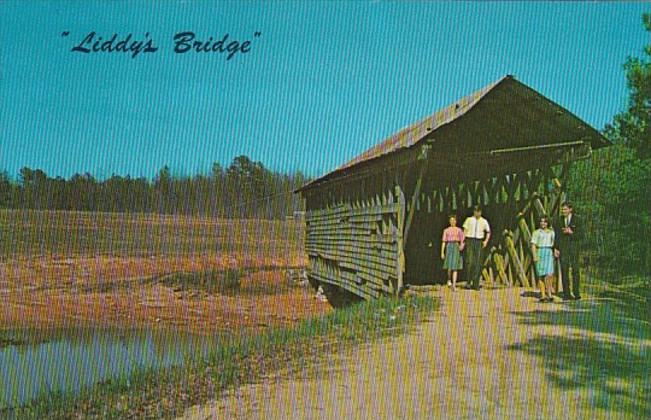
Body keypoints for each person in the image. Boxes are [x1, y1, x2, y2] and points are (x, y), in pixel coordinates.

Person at [553, 202, 583, 300]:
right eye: (562, 209)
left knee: (575, 270)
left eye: (565, 209)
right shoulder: (559, 220)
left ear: (570, 209)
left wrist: (571, 232)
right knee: (564, 269)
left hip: (574, 248)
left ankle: (576, 292)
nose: (563, 211)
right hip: (563, 248)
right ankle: (566, 293)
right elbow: (556, 235)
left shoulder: (577, 220)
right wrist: (556, 248)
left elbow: (581, 235)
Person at [462, 205, 491, 290]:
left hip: (479, 241)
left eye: (478, 211)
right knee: (469, 261)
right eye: (475, 211)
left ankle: (476, 283)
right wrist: (463, 241)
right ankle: (468, 281)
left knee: (478, 262)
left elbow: (488, 232)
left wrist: (486, 241)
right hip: (470, 240)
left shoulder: (484, 221)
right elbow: (465, 230)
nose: (476, 213)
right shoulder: (469, 219)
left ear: (480, 212)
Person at [531, 216, 556, 303]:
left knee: (549, 274)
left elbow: (554, 243)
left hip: (548, 252)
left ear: (547, 223)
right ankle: (542, 295)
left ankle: (549, 294)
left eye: (545, 222)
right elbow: (533, 245)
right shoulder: (536, 232)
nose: (543, 223)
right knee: (541, 274)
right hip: (540, 251)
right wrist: (534, 255)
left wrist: (555, 251)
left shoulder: (551, 232)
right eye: (541, 222)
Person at [441, 215, 465, 291]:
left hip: (456, 246)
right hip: (449, 246)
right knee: (449, 266)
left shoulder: (459, 230)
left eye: (454, 220)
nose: (452, 222)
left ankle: (454, 285)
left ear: (456, 221)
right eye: (451, 220)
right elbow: (444, 242)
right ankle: (449, 279)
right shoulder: (446, 230)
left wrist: (461, 246)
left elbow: (463, 239)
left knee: (455, 267)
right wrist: (442, 252)